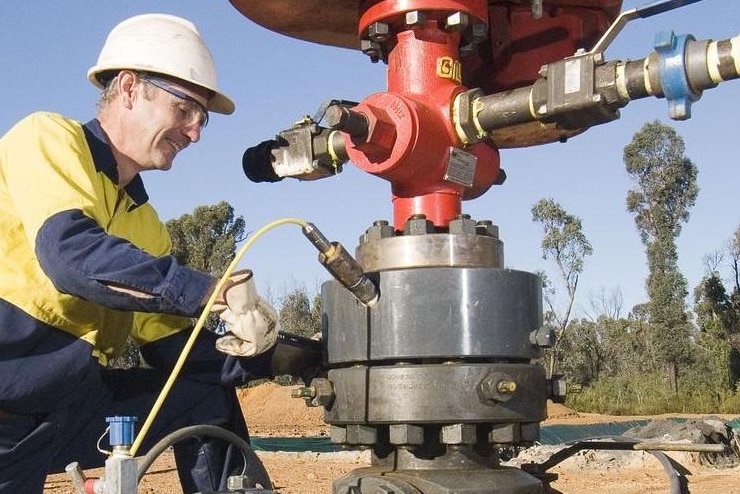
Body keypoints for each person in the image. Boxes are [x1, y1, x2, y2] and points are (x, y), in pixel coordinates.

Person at [0, 13, 279, 493]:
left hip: (60, 408)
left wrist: (270, 353)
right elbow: (71, 257)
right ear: (129, 88)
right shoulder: (47, 137)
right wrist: (209, 291)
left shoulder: (146, 225)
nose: (195, 133)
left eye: (202, 119)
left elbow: (177, 351)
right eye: (186, 110)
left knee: (202, 394)